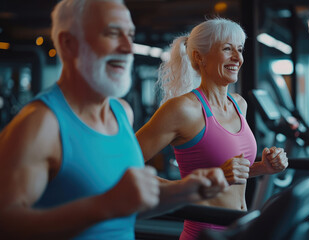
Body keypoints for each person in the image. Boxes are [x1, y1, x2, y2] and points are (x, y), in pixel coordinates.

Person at [0, 0, 229, 239]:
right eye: (112, 33)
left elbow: (127, 207)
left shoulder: (121, 113)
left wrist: (184, 191)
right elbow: (6, 224)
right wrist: (103, 206)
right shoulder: (41, 123)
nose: (128, 47)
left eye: (130, 35)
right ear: (69, 44)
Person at [136, 18, 289, 240]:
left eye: (239, 49)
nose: (237, 58)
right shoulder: (183, 109)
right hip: (204, 234)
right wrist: (187, 187)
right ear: (199, 56)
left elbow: (229, 175)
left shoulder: (239, 104)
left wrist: (262, 168)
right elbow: (121, 163)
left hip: (238, 230)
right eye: (227, 49)